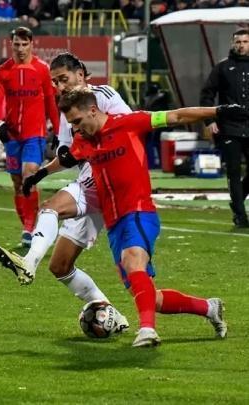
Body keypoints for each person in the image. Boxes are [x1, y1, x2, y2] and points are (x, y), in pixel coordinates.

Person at [23, 87, 242, 346]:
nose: (76, 129)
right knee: (149, 295)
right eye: (72, 124)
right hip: (115, 225)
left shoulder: (129, 123)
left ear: (93, 110)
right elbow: (68, 159)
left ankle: (147, 330)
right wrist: (40, 174)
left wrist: (218, 111)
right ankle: (208, 307)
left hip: (138, 212)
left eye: (78, 122)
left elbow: (176, 116)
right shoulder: (85, 140)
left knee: (132, 261)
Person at [0, 53, 131, 324]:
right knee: (60, 266)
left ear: (80, 73)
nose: (59, 87)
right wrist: (40, 174)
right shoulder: (66, 109)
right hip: (92, 178)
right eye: (55, 82)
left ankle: (30, 261)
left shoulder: (103, 95)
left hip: (115, 179)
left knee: (134, 272)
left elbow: (129, 128)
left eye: (63, 79)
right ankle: (113, 316)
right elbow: (69, 154)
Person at [0, 26, 59, 247]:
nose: (21, 49)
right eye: (17, 44)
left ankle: (30, 227)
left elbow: (51, 102)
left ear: (32, 44)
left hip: (35, 134)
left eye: (24, 44)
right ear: (11, 44)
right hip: (12, 135)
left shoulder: (42, 69)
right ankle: (28, 224)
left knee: (29, 174)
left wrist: (58, 132)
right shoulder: (3, 71)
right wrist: (0, 121)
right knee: (17, 182)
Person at [200, 29, 249, 228]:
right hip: (229, 127)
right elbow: (207, 95)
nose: (241, 45)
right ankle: (240, 215)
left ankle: (236, 200)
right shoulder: (222, 67)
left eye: (245, 41)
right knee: (234, 171)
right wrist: (209, 120)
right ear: (232, 43)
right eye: (238, 41)